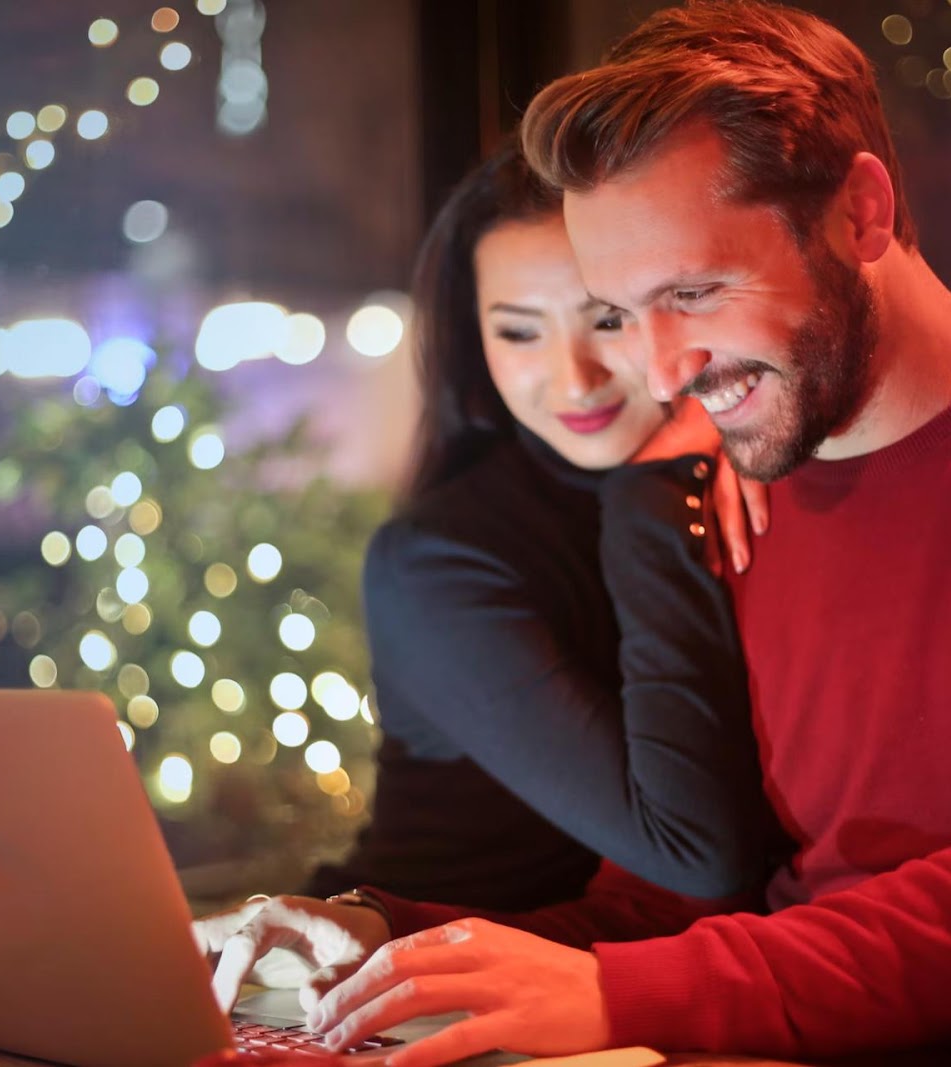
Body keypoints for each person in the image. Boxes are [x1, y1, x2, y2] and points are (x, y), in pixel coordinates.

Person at [196, 2, 951, 1064]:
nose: (659, 372)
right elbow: (675, 907)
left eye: (694, 291)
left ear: (860, 213)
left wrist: (619, 992)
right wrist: (391, 942)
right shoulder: (739, 482)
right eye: (622, 310)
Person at [299, 144, 785, 916]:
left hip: (590, 990)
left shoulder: (749, 474)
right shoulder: (437, 561)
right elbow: (699, 854)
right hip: (400, 976)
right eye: (519, 332)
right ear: (474, 341)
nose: (574, 376)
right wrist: (653, 487)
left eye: (607, 320)